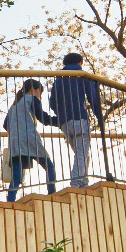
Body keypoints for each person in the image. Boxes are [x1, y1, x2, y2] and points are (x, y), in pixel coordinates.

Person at [49, 53, 104, 188]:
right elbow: (93, 98)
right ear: (80, 62)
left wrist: (61, 115)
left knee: (82, 152)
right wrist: (100, 119)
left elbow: (52, 103)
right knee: (81, 152)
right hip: (80, 118)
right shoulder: (83, 76)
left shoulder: (58, 80)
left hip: (65, 123)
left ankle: (83, 183)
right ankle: (76, 183)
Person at [3, 78, 58, 201]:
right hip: (30, 138)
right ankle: (52, 194)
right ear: (34, 89)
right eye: (40, 92)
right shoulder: (32, 99)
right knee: (49, 166)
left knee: (16, 176)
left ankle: (10, 200)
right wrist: (58, 121)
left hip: (15, 143)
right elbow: (42, 118)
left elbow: (5, 124)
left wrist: (16, 131)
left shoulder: (14, 105)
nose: (40, 96)